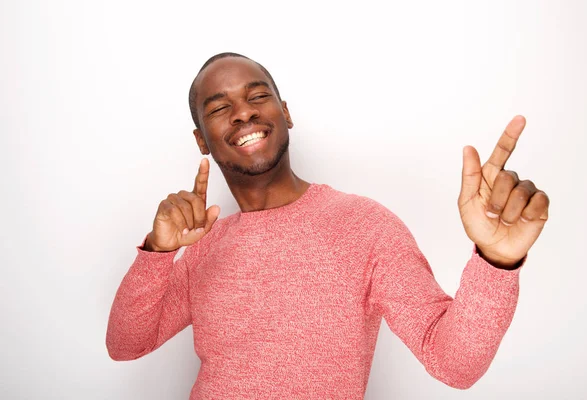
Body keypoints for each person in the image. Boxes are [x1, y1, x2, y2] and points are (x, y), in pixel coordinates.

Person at [106, 52, 549, 399]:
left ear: (285, 112)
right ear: (201, 139)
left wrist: (497, 262)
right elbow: (126, 344)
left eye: (258, 97)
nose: (243, 114)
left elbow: (454, 363)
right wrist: (157, 255)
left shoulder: (366, 227)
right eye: (221, 107)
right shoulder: (206, 246)